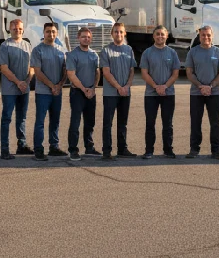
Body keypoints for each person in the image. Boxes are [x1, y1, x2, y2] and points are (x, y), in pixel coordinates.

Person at [185, 26, 219, 160]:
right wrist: (200, 86)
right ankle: (194, 149)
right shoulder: (193, 52)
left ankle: (216, 150)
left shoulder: (218, 52)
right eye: (203, 35)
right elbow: (189, 72)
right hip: (196, 93)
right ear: (199, 36)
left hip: (213, 93)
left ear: (212, 35)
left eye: (208, 35)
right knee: (195, 122)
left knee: (214, 123)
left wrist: (210, 86)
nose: (206, 37)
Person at [140, 25, 181, 159]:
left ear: (167, 36)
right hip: (151, 94)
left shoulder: (172, 53)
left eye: (162, 34)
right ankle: (149, 150)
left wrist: (164, 86)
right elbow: (144, 73)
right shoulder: (147, 53)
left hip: (168, 94)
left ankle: (168, 150)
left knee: (167, 123)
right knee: (150, 123)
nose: (160, 36)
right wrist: (156, 86)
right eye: (157, 34)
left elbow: (175, 74)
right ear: (153, 36)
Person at [99, 23, 138, 160]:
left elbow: (132, 71)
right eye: (116, 32)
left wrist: (126, 86)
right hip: (110, 93)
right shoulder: (106, 50)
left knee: (123, 122)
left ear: (125, 33)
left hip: (125, 92)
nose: (118, 34)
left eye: (121, 32)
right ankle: (107, 151)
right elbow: (106, 72)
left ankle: (122, 149)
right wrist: (118, 87)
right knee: (108, 122)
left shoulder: (129, 49)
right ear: (112, 34)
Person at [31, 22, 68, 161]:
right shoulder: (38, 50)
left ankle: (54, 147)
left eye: (53, 31)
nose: (51, 34)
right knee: (40, 121)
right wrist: (52, 86)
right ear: (43, 33)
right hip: (43, 93)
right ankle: (38, 149)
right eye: (48, 31)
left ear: (56, 33)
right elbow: (38, 72)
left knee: (55, 120)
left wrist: (60, 85)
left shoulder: (61, 50)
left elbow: (65, 70)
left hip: (57, 92)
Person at [0, 19, 34, 160]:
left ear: (23, 30)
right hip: (10, 90)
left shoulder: (27, 45)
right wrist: (18, 82)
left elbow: (32, 66)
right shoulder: (5, 46)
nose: (17, 31)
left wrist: (27, 82)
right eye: (14, 29)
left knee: (22, 117)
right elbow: (4, 68)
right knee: (7, 118)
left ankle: (21, 145)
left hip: (24, 89)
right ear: (9, 30)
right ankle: (5, 149)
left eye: (19, 29)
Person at [66, 27, 101, 161]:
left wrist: (93, 88)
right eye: (83, 37)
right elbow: (71, 74)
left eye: (88, 37)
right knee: (75, 122)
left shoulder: (94, 55)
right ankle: (73, 149)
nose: (86, 39)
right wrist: (83, 89)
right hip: (77, 93)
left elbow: (97, 72)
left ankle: (89, 147)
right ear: (78, 38)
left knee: (90, 121)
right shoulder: (72, 55)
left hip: (91, 93)